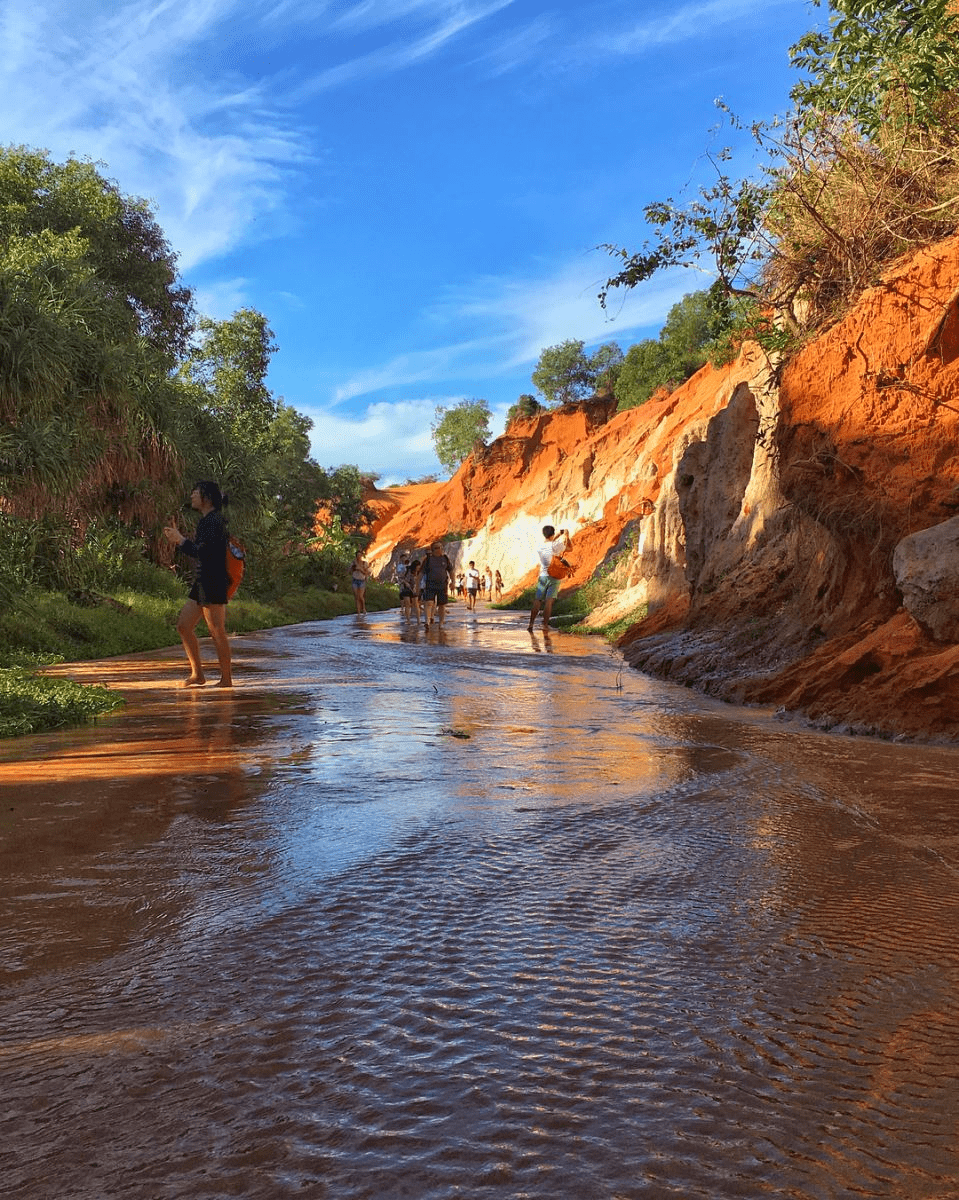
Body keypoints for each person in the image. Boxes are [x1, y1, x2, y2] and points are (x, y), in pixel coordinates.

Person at [163, 481, 233, 687]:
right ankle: (198, 675)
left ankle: (226, 679)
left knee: (216, 630)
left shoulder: (214, 521)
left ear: (207, 498)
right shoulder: (206, 521)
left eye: (196, 492)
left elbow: (204, 552)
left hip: (214, 580)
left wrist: (181, 541)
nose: (192, 495)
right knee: (184, 626)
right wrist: (180, 541)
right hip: (203, 580)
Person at [528, 524, 572, 632]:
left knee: (538, 600)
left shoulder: (540, 546)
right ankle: (545, 625)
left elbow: (549, 543)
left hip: (543, 575)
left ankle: (531, 624)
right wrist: (567, 536)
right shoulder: (557, 546)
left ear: (544, 534)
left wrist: (556, 536)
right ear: (553, 534)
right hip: (555, 576)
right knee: (549, 602)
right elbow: (570, 548)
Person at [421, 541, 456, 627]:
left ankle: (441, 622)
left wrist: (453, 582)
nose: (439, 549)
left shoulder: (445, 558)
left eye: (440, 547)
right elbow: (420, 573)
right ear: (432, 550)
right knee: (428, 603)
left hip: (442, 585)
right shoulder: (428, 560)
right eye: (436, 548)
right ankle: (427, 621)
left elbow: (451, 571)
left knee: (442, 605)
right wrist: (418, 586)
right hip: (430, 585)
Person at [394, 550, 414, 620]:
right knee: (402, 594)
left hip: (410, 582)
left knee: (410, 596)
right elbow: (399, 573)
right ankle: (403, 607)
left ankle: (409, 609)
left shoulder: (409, 564)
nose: (404, 559)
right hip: (402, 582)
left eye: (405, 558)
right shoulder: (399, 566)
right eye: (403, 558)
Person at [350, 549, 370, 614]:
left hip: (362, 580)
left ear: (361, 556)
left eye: (360, 555)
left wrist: (360, 569)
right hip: (355, 579)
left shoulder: (364, 563)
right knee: (356, 596)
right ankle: (358, 611)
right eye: (357, 555)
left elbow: (367, 572)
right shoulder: (353, 563)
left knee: (361, 596)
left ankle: (363, 608)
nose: (358, 557)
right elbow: (349, 570)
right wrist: (353, 567)